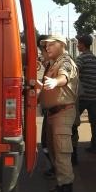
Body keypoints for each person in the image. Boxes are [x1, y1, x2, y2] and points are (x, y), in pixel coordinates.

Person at [38, 34, 79, 192]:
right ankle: (61, 186)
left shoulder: (65, 61)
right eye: (45, 45)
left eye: (51, 44)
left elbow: (64, 77)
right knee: (54, 152)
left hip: (62, 113)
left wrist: (55, 82)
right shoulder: (52, 63)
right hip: (53, 114)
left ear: (62, 44)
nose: (47, 47)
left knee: (62, 154)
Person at [75, 34, 96, 154]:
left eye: (79, 43)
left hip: (82, 96)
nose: (77, 45)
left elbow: (74, 73)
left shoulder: (81, 58)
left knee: (73, 121)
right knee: (94, 121)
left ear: (83, 45)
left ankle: (73, 145)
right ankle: (95, 145)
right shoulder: (95, 58)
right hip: (94, 96)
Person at [37, 35, 55, 179]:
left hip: (57, 112)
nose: (41, 56)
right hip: (51, 110)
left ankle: (56, 170)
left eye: (42, 52)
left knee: (50, 143)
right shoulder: (50, 65)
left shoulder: (59, 64)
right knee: (47, 142)